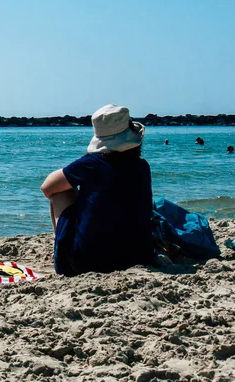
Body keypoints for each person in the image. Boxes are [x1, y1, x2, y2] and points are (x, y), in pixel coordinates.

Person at [40, 104, 154, 276]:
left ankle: (60, 250)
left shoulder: (91, 164)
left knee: (61, 191)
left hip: (86, 263)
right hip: (136, 258)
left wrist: (77, 198)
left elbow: (47, 187)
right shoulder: (143, 167)